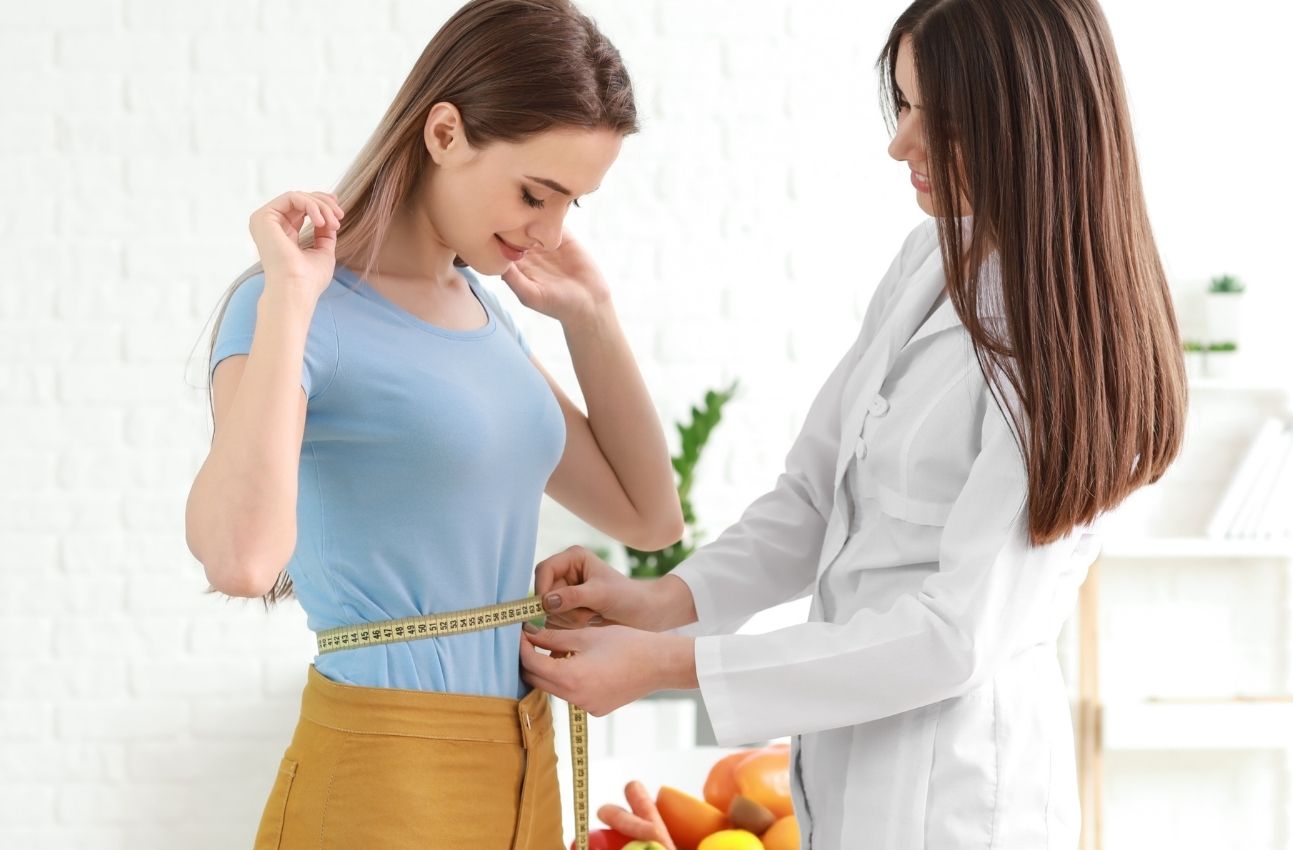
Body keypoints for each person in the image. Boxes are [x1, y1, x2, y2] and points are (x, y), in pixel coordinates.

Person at [517, 1, 1187, 847]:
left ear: (1028, 125)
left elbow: (952, 637)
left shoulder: (1072, 346)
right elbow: (813, 497)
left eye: (939, 122)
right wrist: (658, 602)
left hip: (960, 800)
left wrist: (665, 666)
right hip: (841, 769)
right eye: (903, 106)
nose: (900, 144)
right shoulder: (929, 260)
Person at [181, 1, 678, 846]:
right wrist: (293, 301)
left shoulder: (482, 311)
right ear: (444, 133)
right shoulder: (289, 305)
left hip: (526, 751)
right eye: (535, 193)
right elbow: (239, 560)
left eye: (572, 206)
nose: (548, 230)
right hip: (384, 763)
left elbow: (648, 515)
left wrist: (591, 314)